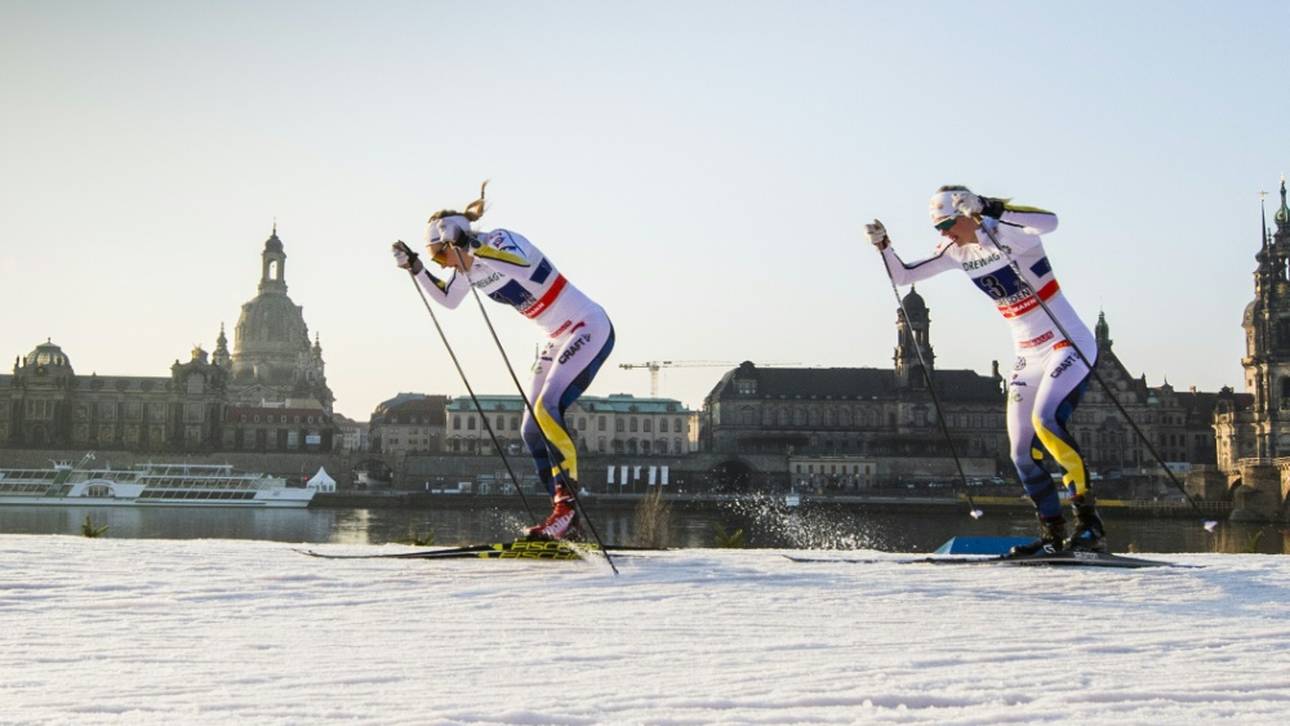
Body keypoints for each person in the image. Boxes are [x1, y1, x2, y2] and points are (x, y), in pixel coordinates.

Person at [865, 185, 1105, 554]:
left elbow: (1050, 222)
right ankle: (1053, 534)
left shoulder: (1007, 231)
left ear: (967, 214)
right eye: (938, 228)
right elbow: (904, 276)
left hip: (1065, 343)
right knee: (1020, 452)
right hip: (1028, 354)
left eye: (948, 224)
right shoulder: (955, 251)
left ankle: (1090, 526)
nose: (945, 234)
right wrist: (884, 247)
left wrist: (990, 207)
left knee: (1046, 421)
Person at [392, 184, 614, 540]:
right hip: (556, 337)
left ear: (456, 239)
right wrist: (416, 269)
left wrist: (471, 244)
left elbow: (523, 267)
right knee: (530, 430)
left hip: (587, 326)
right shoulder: (467, 270)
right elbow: (448, 300)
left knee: (546, 408)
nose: (444, 264)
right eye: (437, 260)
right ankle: (563, 517)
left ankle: (568, 511)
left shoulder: (499, 241)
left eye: (441, 255)